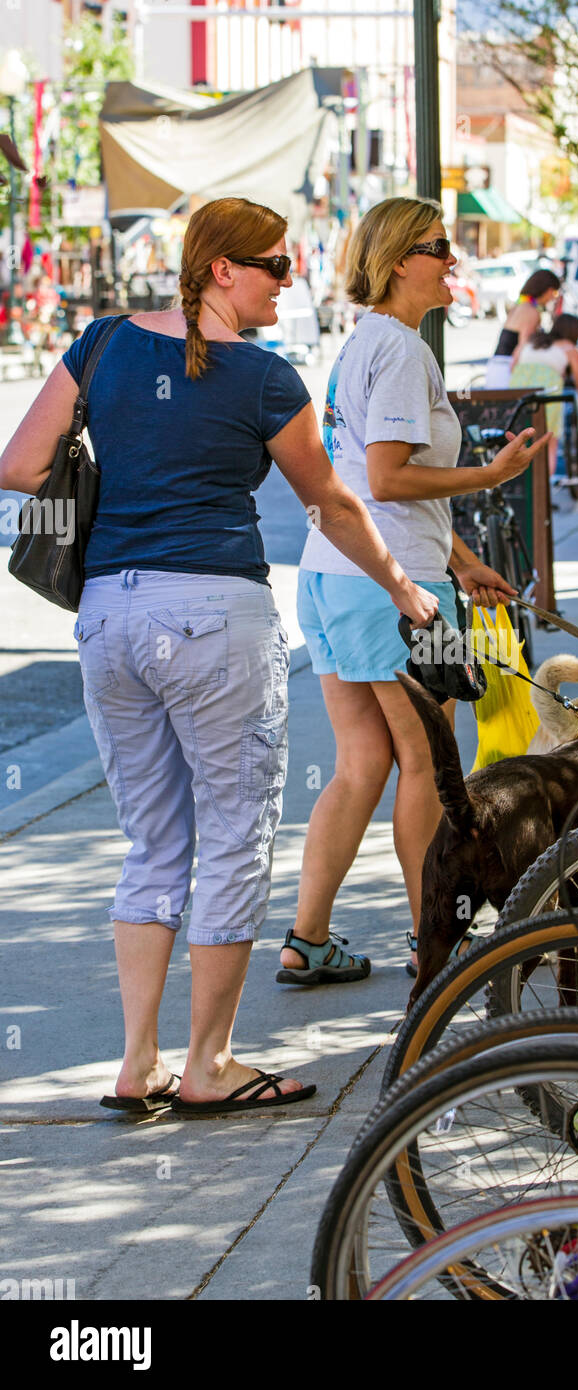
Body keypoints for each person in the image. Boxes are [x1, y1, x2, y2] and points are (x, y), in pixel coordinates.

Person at [0, 195, 441, 1114]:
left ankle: (137, 1063)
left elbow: (21, 464)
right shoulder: (267, 379)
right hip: (216, 618)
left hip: (111, 617)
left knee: (154, 843)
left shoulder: (104, 343)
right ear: (222, 270)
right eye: (278, 265)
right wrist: (402, 586)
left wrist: (120, 471)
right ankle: (207, 1065)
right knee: (235, 838)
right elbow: (332, 501)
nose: (293, 281)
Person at [279, 197, 551, 986]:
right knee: (431, 768)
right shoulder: (401, 350)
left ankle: (308, 938)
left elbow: (369, 477)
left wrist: (462, 556)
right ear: (401, 259)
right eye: (439, 247)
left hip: (337, 577)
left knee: (360, 763)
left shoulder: (362, 343)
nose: (453, 261)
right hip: (396, 588)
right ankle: (435, 940)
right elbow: (394, 478)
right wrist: (492, 475)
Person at [509, 312, 578, 475]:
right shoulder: (568, 347)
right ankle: (543, 496)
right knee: (547, 445)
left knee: (518, 443)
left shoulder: (533, 341)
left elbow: (513, 366)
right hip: (547, 395)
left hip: (517, 392)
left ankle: (526, 492)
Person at [484, 268, 561, 388]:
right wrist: (518, 375)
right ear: (548, 290)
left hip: (497, 366)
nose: (554, 298)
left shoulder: (521, 305)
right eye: (555, 293)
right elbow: (522, 346)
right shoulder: (532, 311)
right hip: (507, 369)